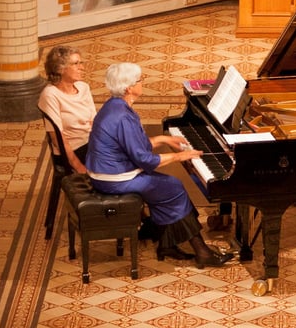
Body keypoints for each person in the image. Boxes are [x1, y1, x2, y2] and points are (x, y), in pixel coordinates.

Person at [86, 62, 231, 267]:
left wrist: (162, 140)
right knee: (173, 187)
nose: (142, 82)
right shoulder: (123, 116)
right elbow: (145, 160)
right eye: (140, 80)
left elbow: (131, 146)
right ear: (129, 88)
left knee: (167, 189)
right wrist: (180, 157)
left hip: (105, 172)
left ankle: (167, 244)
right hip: (114, 179)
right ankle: (202, 252)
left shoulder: (114, 106)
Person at [38, 46, 96, 174]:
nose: (82, 67)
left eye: (81, 63)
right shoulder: (50, 95)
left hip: (91, 144)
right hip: (73, 152)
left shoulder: (83, 87)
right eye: (76, 64)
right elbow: (57, 138)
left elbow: (94, 122)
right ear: (60, 68)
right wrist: (79, 167)